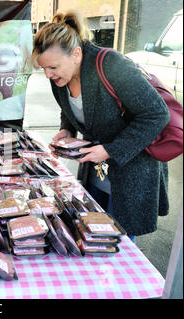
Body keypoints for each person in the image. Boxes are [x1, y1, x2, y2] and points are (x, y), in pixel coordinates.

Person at [31, 11, 170, 243]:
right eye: (43, 68)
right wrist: (67, 130)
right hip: (96, 170)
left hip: (131, 169)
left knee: (120, 242)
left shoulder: (111, 64)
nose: (47, 74)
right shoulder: (59, 78)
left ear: (76, 54)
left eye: (53, 67)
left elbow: (156, 114)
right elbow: (69, 109)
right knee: (92, 233)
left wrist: (109, 150)